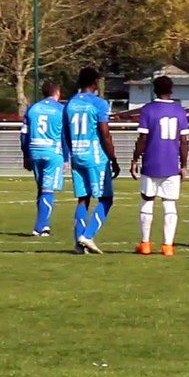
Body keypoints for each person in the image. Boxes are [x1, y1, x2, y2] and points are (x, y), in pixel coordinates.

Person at [131, 76, 189, 256]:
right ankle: (168, 246)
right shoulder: (180, 111)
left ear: (154, 89)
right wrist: (184, 164)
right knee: (169, 204)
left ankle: (146, 244)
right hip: (172, 164)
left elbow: (143, 138)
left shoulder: (148, 110)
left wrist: (135, 159)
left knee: (147, 200)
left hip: (151, 163)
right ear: (171, 90)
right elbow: (184, 140)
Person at [64, 67, 120, 254]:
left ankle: (79, 244)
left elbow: (65, 131)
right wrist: (113, 157)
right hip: (94, 156)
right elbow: (104, 133)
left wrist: (72, 151)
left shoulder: (70, 104)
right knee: (106, 198)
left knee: (83, 198)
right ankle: (87, 235)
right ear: (95, 83)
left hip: (77, 155)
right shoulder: (99, 103)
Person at [20, 81, 66, 238]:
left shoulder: (32, 108)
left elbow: (24, 134)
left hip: (35, 151)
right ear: (57, 92)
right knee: (48, 190)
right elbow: (65, 136)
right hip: (53, 152)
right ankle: (39, 227)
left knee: (41, 189)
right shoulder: (61, 109)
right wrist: (66, 157)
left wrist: (25, 155)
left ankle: (44, 225)